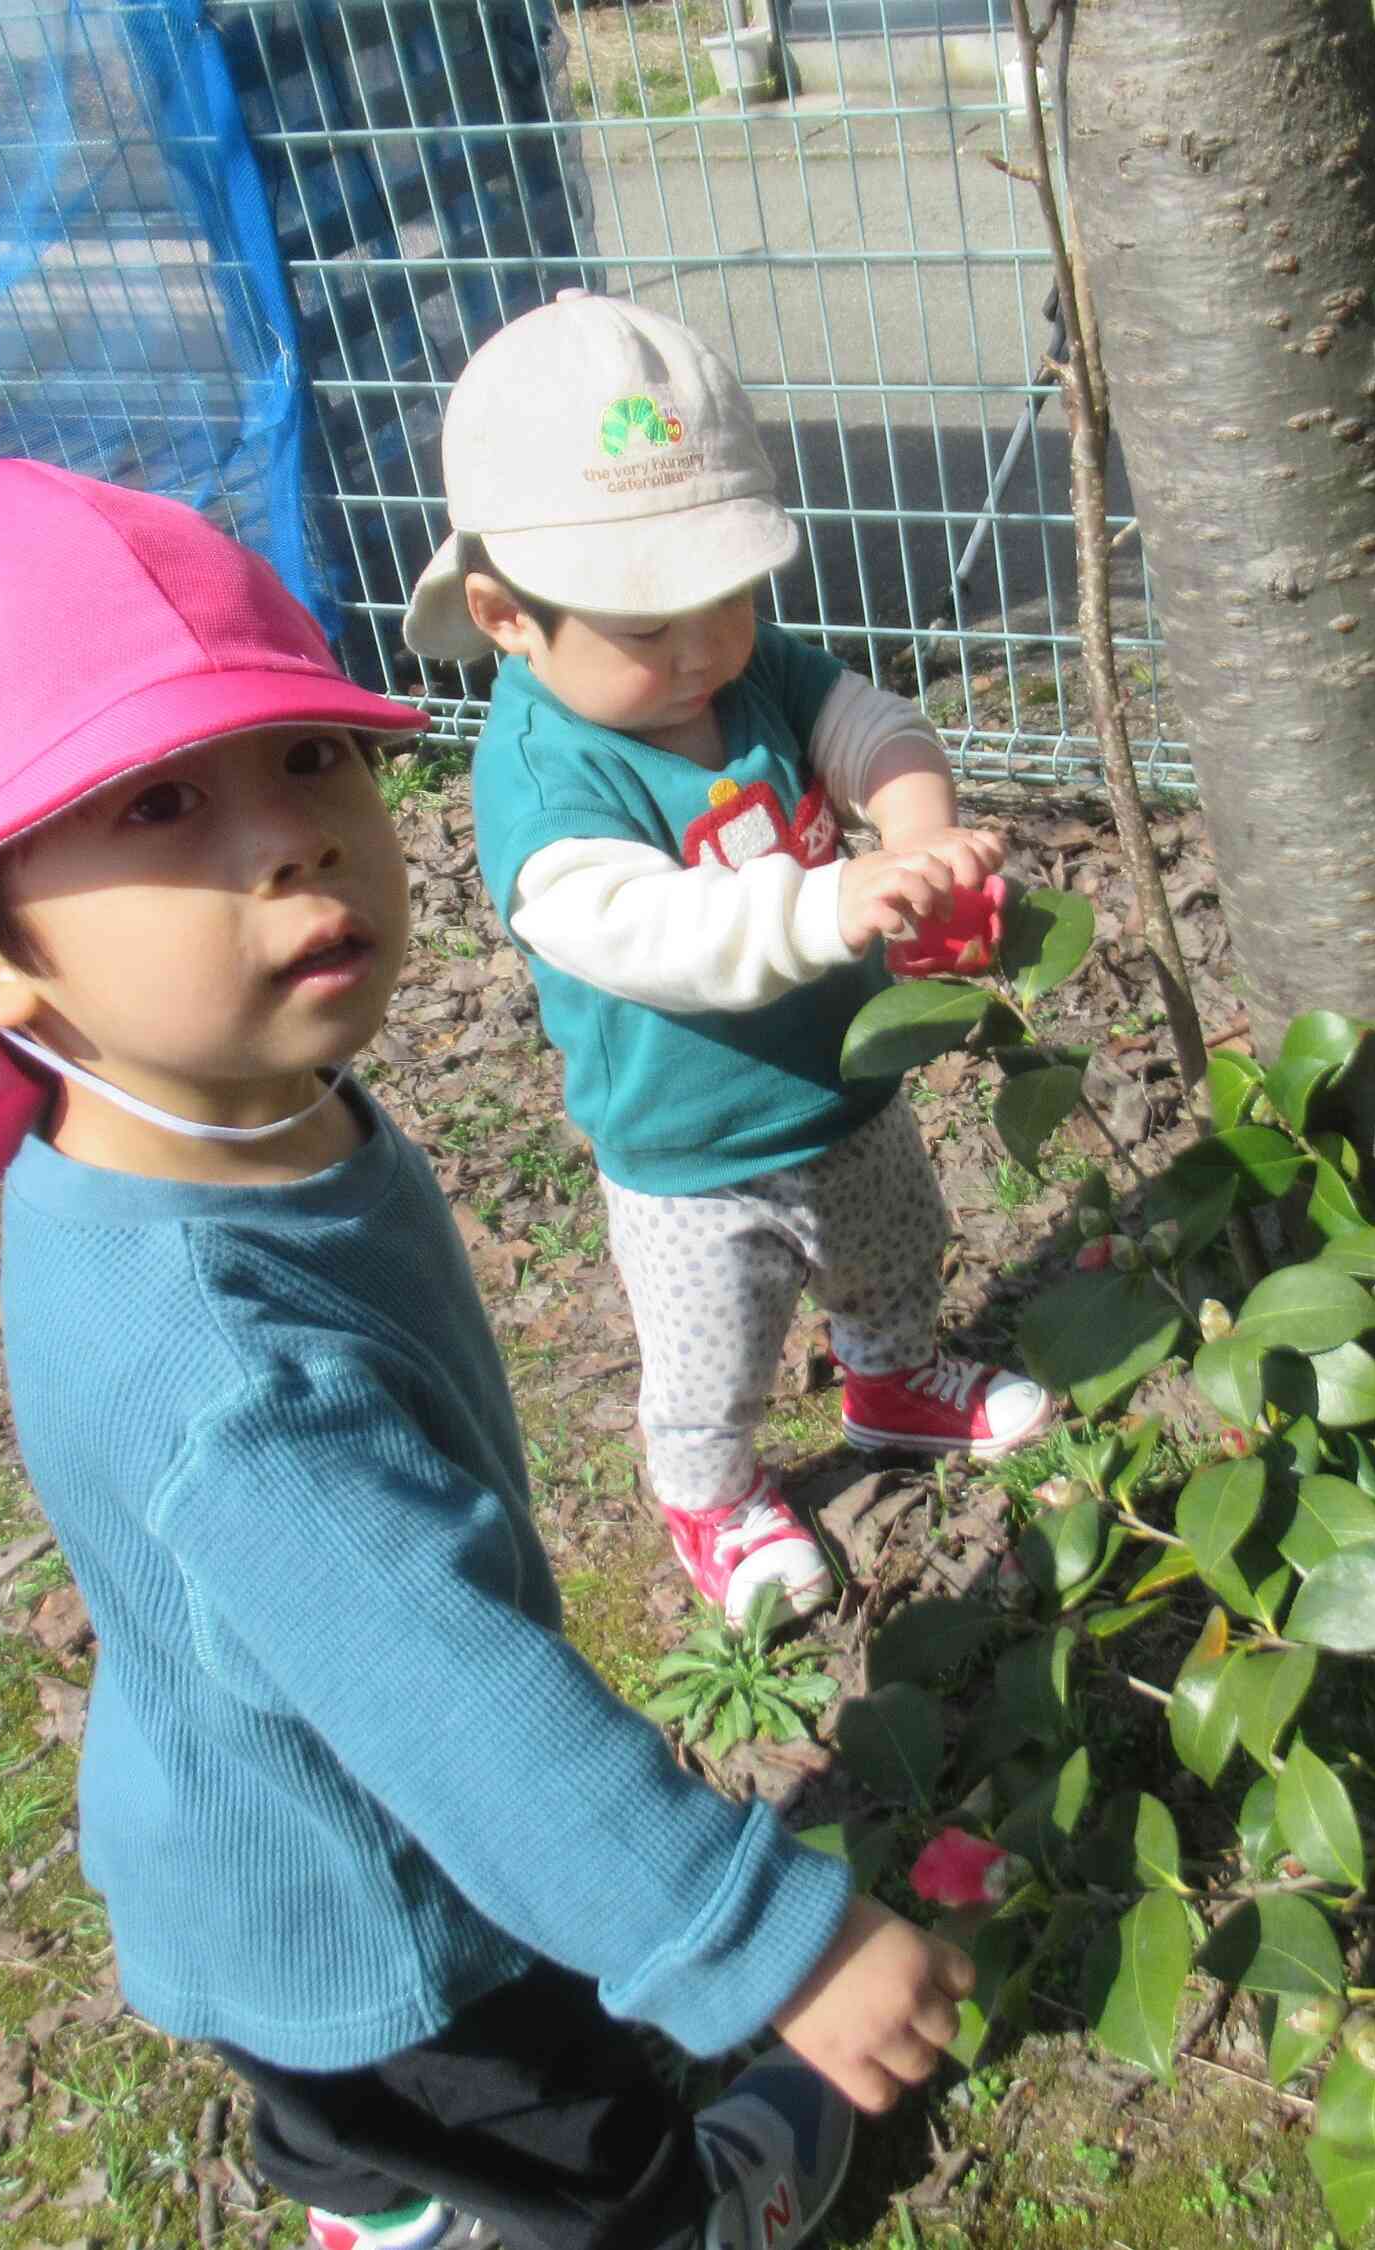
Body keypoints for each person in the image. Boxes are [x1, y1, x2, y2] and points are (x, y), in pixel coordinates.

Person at [0, 459, 975, 2250]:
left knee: (369, 2118)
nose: (294, 837)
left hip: (246, 1830)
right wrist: (770, 1946)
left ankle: (390, 2203)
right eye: (162, 801)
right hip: (402, 1907)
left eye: (311, 757)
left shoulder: (205, 1111)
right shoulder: (226, 1378)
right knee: (562, 2141)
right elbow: (464, 1712)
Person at [403, 291, 1056, 1632]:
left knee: (894, 1245)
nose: (702, 645)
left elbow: (867, 721)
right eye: (648, 624)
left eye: (730, 596)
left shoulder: (743, 677)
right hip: (689, 1150)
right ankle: (711, 1495)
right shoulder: (544, 773)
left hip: (841, 1082)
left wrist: (918, 825)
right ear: (505, 613)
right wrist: (830, 905)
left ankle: (892, 1380)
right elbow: (650, 932)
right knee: (715, 1352)